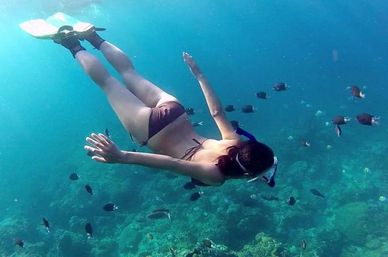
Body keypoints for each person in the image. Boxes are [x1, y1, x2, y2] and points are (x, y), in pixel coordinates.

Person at [53, 25, 277, 187]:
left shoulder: (235, 142)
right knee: (108, 83)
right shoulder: (215, 175)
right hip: (151, 129)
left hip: (176, 113)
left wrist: (200, 76)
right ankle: (72, 43)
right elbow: (171, 163)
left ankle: (93, 37)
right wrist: (123, 157)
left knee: (129, 73)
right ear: (249, 174)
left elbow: (216, 112)